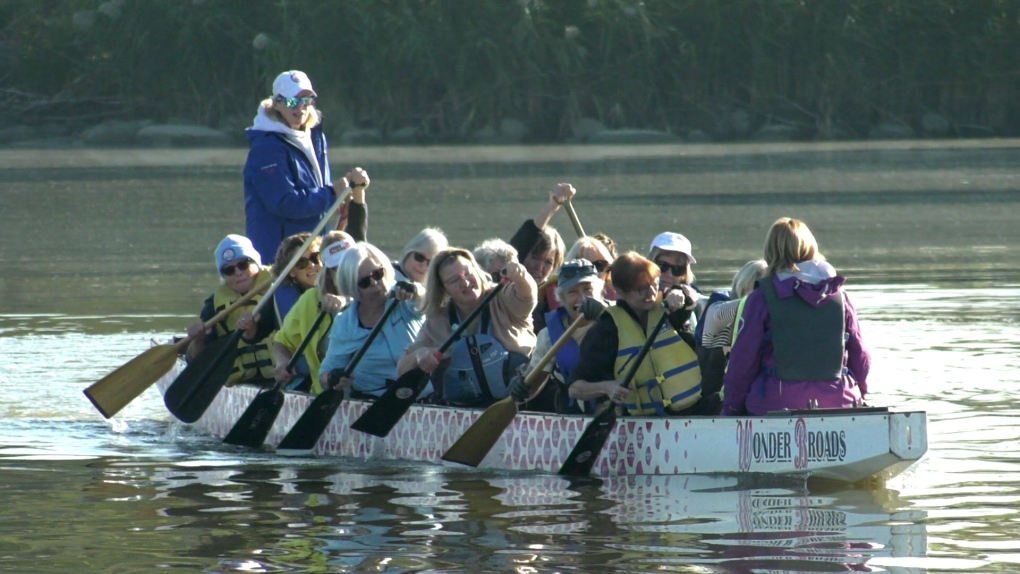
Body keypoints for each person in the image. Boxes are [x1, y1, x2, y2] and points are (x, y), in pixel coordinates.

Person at [721, 218, 871, 416]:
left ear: (771, 252)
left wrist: (731, 409)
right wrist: (859, 392)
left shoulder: (761, 298)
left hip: (774, 404)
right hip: (840, 401)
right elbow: (861, 357)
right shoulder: (840, 297)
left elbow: (743, 362)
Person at [568, 252, 716, 416]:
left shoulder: (671, 307)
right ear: (620, 292)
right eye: (641, 289)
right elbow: (575, 388)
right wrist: (607, 387)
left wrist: (681, 292)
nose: (651, 293)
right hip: (643, 424)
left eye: (654, 284)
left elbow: (692, 296)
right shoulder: (607, 329)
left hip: (695, 411)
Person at [243, 69, 368, 262]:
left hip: (313, 253)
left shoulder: (315, 137)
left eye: (306, 100)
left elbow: (318, 189)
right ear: (277, 103)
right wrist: (332, 193)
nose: (300, 108)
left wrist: (336, 201)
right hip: (280, 259)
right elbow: (284, 203)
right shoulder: (266, 148)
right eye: (293, 101)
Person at [398, 248, 537, 407]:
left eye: (468, 273)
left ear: (478, 272)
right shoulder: (437, 320)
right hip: (464, 409)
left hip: (520, 402)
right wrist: (419, 355)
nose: (465, 283)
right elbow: (402, 369)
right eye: (454, 280)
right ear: (443, 289)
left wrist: (521, 276)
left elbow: (528, 295)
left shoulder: (504, 298)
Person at [319, 243, 426, 398]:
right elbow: (324, 376)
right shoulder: (344, 323)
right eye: (365, 282)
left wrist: (416, 290)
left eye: (378, 274)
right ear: (351, 286)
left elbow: (426, 299)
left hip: (420, 398)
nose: (376, 284)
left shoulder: (405, 298)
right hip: (371, 404)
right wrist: (332, 378)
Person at [507, 259, 607, 413]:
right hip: (575, 417)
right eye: (573, 292)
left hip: (618, 408)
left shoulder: (618, 317)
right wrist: (520, 386)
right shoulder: (549, 335)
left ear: (599, 291)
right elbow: (531, 389)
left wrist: (603, 315)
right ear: (562, 299)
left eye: (588, 289)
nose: (582, 299)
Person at [186, 235, 276, 387]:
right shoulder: (213, 307)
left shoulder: (280, 289)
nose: (238, 273)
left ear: (257, 264)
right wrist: (197, 339)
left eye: (243, 265)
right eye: (229, 270)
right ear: (224, 276)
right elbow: (196, 361)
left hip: (283, 378)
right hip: (240, 385)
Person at [271, 231, 354, 393]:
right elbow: (281, 342)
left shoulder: (379, 288)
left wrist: (346, 301)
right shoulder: (309, 301)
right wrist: (282, 363)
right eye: (337, 268)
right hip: (325, 395)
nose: (346, 273)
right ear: (328, 273)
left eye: (350, 264)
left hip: (376, 391)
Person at [695, 260, 767, 396]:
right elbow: (707, 330)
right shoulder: (719, 303)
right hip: (714, 392)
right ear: (745, 286)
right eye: (759, 288)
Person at [508, 183, 572, 332]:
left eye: (548, 262)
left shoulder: (559, 297)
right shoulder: (505, 287)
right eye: (535, 258)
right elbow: (525, 238)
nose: (540, 267)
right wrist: (552, 206)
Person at [648, 231, 703, 333]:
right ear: (650, 264)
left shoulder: (696, 302)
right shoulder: (631, 295)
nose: (669, 274)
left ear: (685, 274)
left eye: (678, 269)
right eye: (662, 265)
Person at [270, 232, 322, 324]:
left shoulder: (340, 284)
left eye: (315, 257)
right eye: (301, 262)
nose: (311, 265)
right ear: (291, 272)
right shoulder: (281, 298)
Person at [565, 236, 615, 300]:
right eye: (586, 267)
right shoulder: (561, 293)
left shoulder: (618, 295)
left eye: (600, 265)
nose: (594, 271)